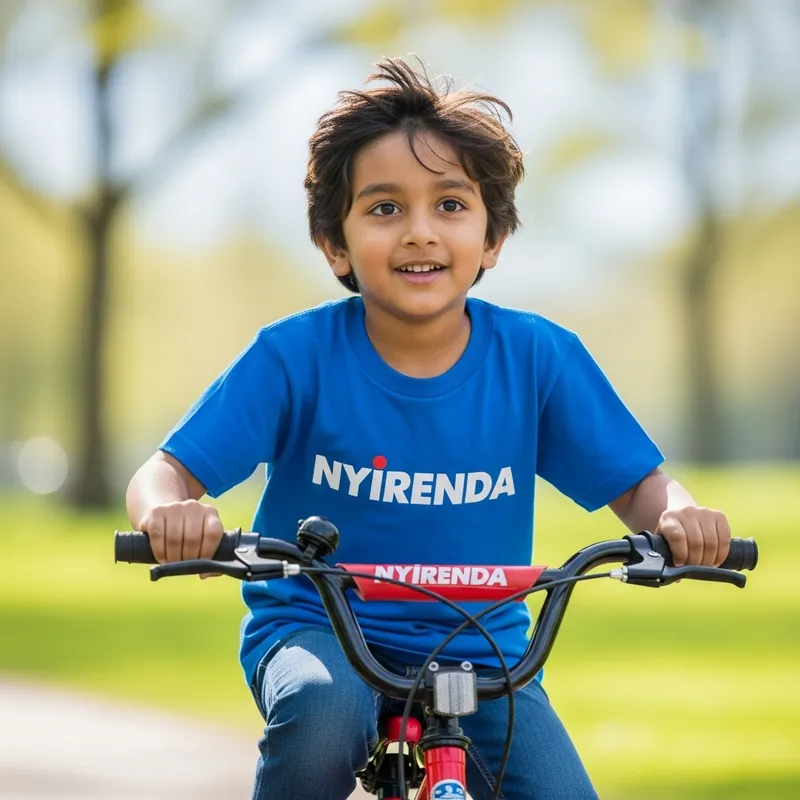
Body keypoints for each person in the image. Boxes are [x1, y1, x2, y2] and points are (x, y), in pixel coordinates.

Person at [126, 57, 732, 800]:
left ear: (493, 237)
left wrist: (678, 517)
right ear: (335, 244)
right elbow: (164, 473)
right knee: (321, 714)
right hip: (318, 631)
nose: (419, 232)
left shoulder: (538, 360)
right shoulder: (294, 357)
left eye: (451, 205)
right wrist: (167, 514)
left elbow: (639, 486)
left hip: (480, 653)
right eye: (384, 209)